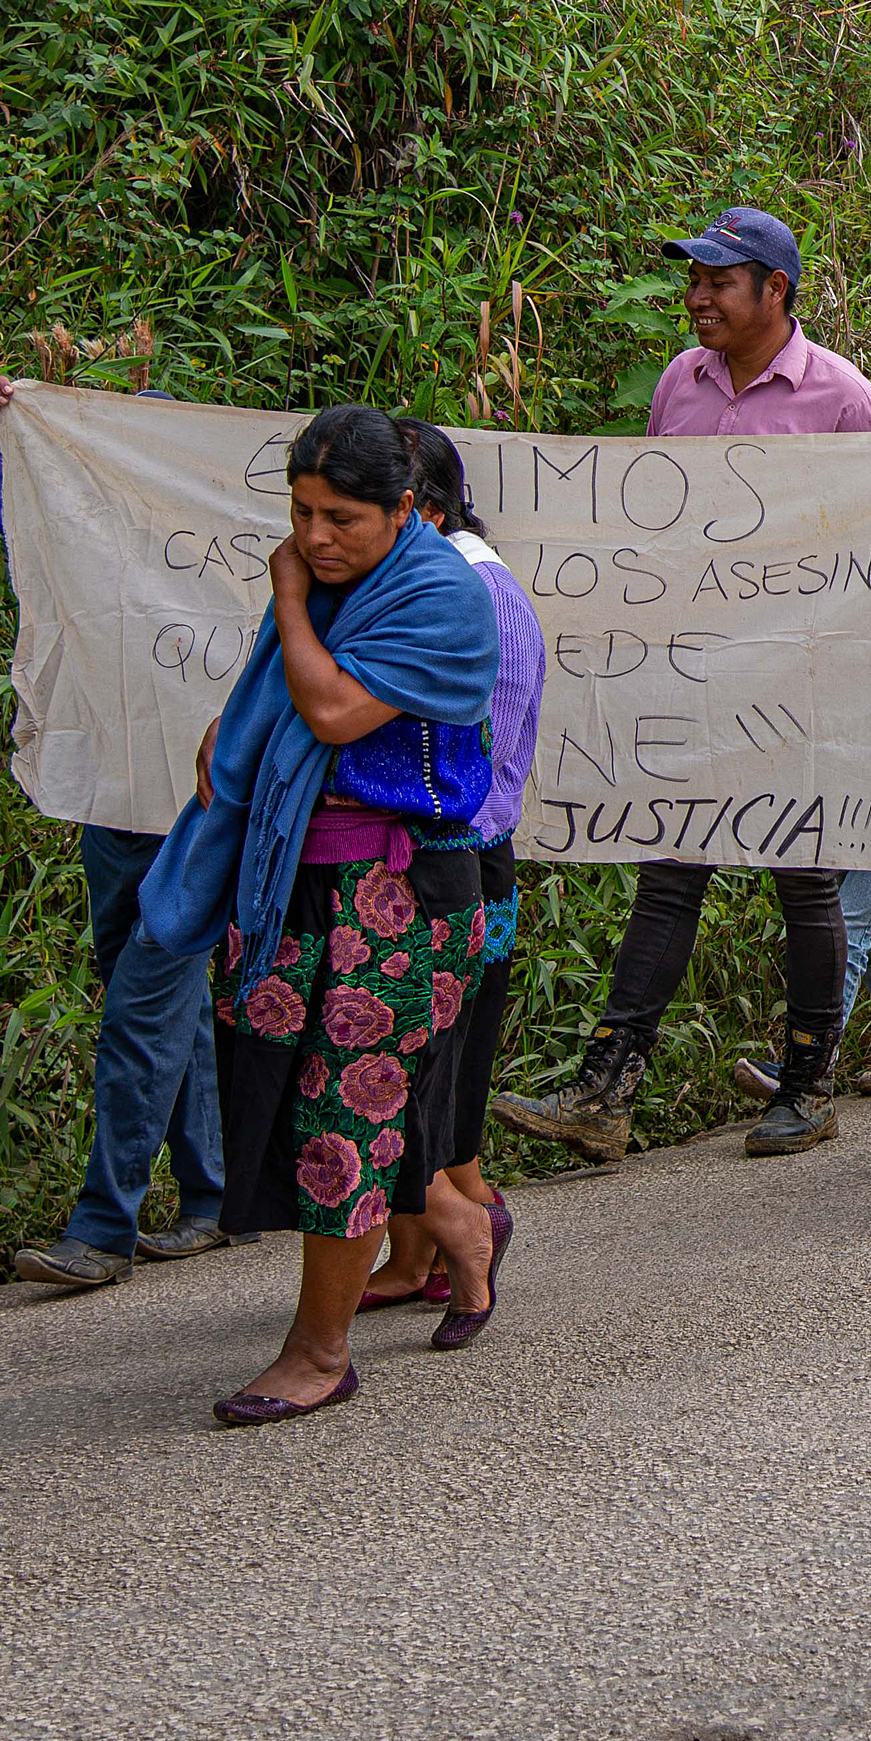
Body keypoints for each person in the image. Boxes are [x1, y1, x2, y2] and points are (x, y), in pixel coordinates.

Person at [497, 205, 871, 1165]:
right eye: (694, 279)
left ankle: (808, 1084)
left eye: (717, 280)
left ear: (775, 292)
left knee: (804, 875)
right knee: (669, 866)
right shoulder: (682, 381)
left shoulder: (841, 398)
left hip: (796, 677)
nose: (697, 296)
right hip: (690, 671)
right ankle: (608, 1090)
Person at [142, 406, 501, 1424]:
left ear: (405, 512)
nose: (313, 538)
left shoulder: (440, 596)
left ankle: (319, 1352)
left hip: (398, 898)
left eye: (340, 517)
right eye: (301, 514)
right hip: (297, 883)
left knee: (345, 1115)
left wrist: (290, 602)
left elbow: (334, 712)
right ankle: (455, 1222)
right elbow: (274, 710)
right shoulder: (346, 577)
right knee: (293, 1096)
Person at [0, 374, 232, 1293]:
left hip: (196, 807)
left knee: (143, 1001)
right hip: (116, 799)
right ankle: (210, 1197)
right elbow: (30, 523)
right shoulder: (88, 535)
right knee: (152, 987)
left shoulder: (241, 539)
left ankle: (103, 1225)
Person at [357, 421, 540, 1350]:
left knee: (432, 1068)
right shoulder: (472, 582)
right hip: (464, 851)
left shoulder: (459, 596)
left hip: (448, 858)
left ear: (420, 511)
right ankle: (420, 1251)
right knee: (440, 1063)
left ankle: (467, 1218)